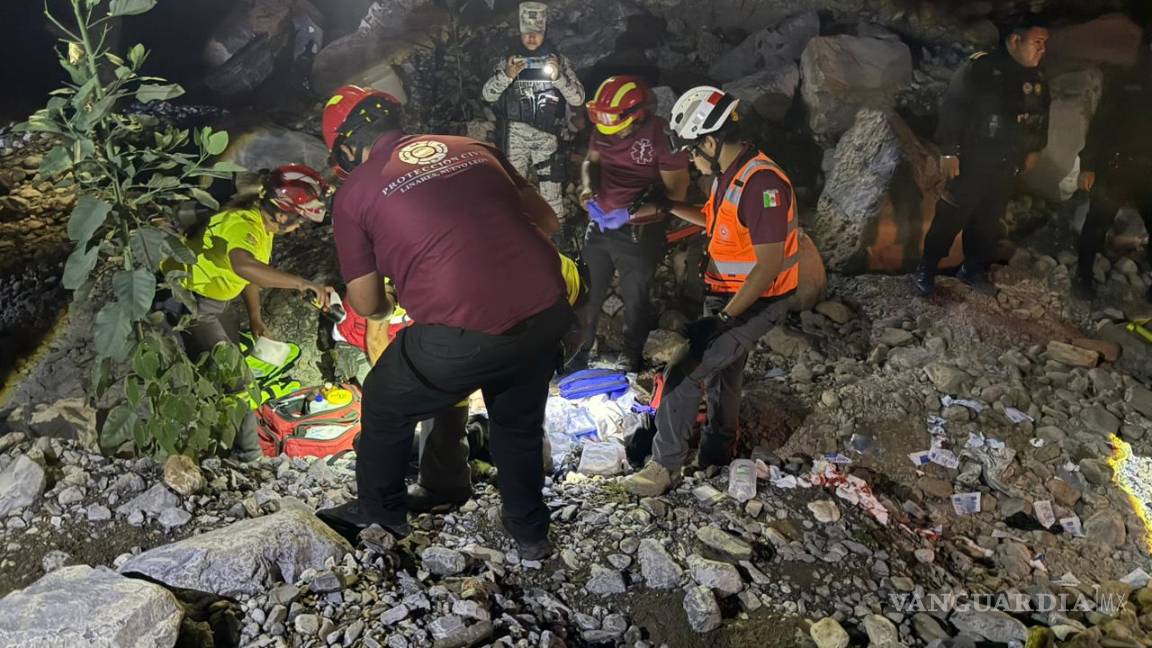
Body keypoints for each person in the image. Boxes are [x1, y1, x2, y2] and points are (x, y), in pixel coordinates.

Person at [317, 85, 574, 559]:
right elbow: (548, 223)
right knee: (516, 424)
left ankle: (382, 514)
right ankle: (530, 533)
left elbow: (369, 304)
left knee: (385, 398)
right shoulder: (472, 148)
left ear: (350, 148)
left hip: (465, 330)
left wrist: (402, 290)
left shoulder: (355, 192)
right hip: (546, 309)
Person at [623, 87, 800, 497]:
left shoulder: (762, 185)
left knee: (683, 373)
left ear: (709, 140)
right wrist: (666, 206)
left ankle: (663, 468)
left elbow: (768, 264)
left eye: (691, 151)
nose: (689, 160)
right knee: (725, 375)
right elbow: (713, 220)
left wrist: (720, 321)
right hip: (728, 294)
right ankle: (718, 452)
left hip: (755, 301)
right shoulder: (731, 173)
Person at [174, 164, 334, 460]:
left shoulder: (262, 227)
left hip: (215, 301)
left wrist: (256, 318)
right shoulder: (243, 223)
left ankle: (225, 444)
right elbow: (244, 265)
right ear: (283, 213)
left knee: (229, 371)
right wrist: (300, 283)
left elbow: (250, 274)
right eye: (299, 220)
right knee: (240, 383)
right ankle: (249, 458)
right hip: (190, 303)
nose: (299, 227)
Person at [913, 20, 1050, 297]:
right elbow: (954, 107)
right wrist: (950, 151)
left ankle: (972, 269)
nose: (1043, 50)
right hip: (973, 157)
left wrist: (1035, 149)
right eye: (1037, 43)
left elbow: (1041, 118)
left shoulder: (1036, 80)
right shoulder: (982, 67)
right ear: (1015, 41)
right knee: (952, 215)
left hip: (1007, 163)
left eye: (1045, 44)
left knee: (988, 219)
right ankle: (926, 268)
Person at [572, 75, 690, 373]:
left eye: (617, 127)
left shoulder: (661, 136)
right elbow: (591, 161)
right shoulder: (605, 127)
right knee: (587, 291)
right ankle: (578, 352)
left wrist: (630, 214)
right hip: (599, 224)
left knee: (636, 295)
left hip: (639, 230)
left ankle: (631, 355)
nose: (610, 134)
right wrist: (588, 190)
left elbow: (676, 196)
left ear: (637, 115)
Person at [481, 1, 584, 227]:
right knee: (514, 191)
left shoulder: (556, 59)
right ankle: (518, 234)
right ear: (520, 32)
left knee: (552, 192)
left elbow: (578, 98)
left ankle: (558, 242)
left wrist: (558, 77)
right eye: (527, 33)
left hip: (546, 135)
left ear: (544, 32)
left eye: (536, 33)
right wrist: (507, 76)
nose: (531, 39)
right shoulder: (509, 59)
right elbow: (488, 94)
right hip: (515, 134)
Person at [1074, 43, 1152, 303]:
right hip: (1116, 168)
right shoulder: (1126, 81)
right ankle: (1082, 278)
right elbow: (1100, 125)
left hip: (1149, 171)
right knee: (1096, 224)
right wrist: (1088, 165)